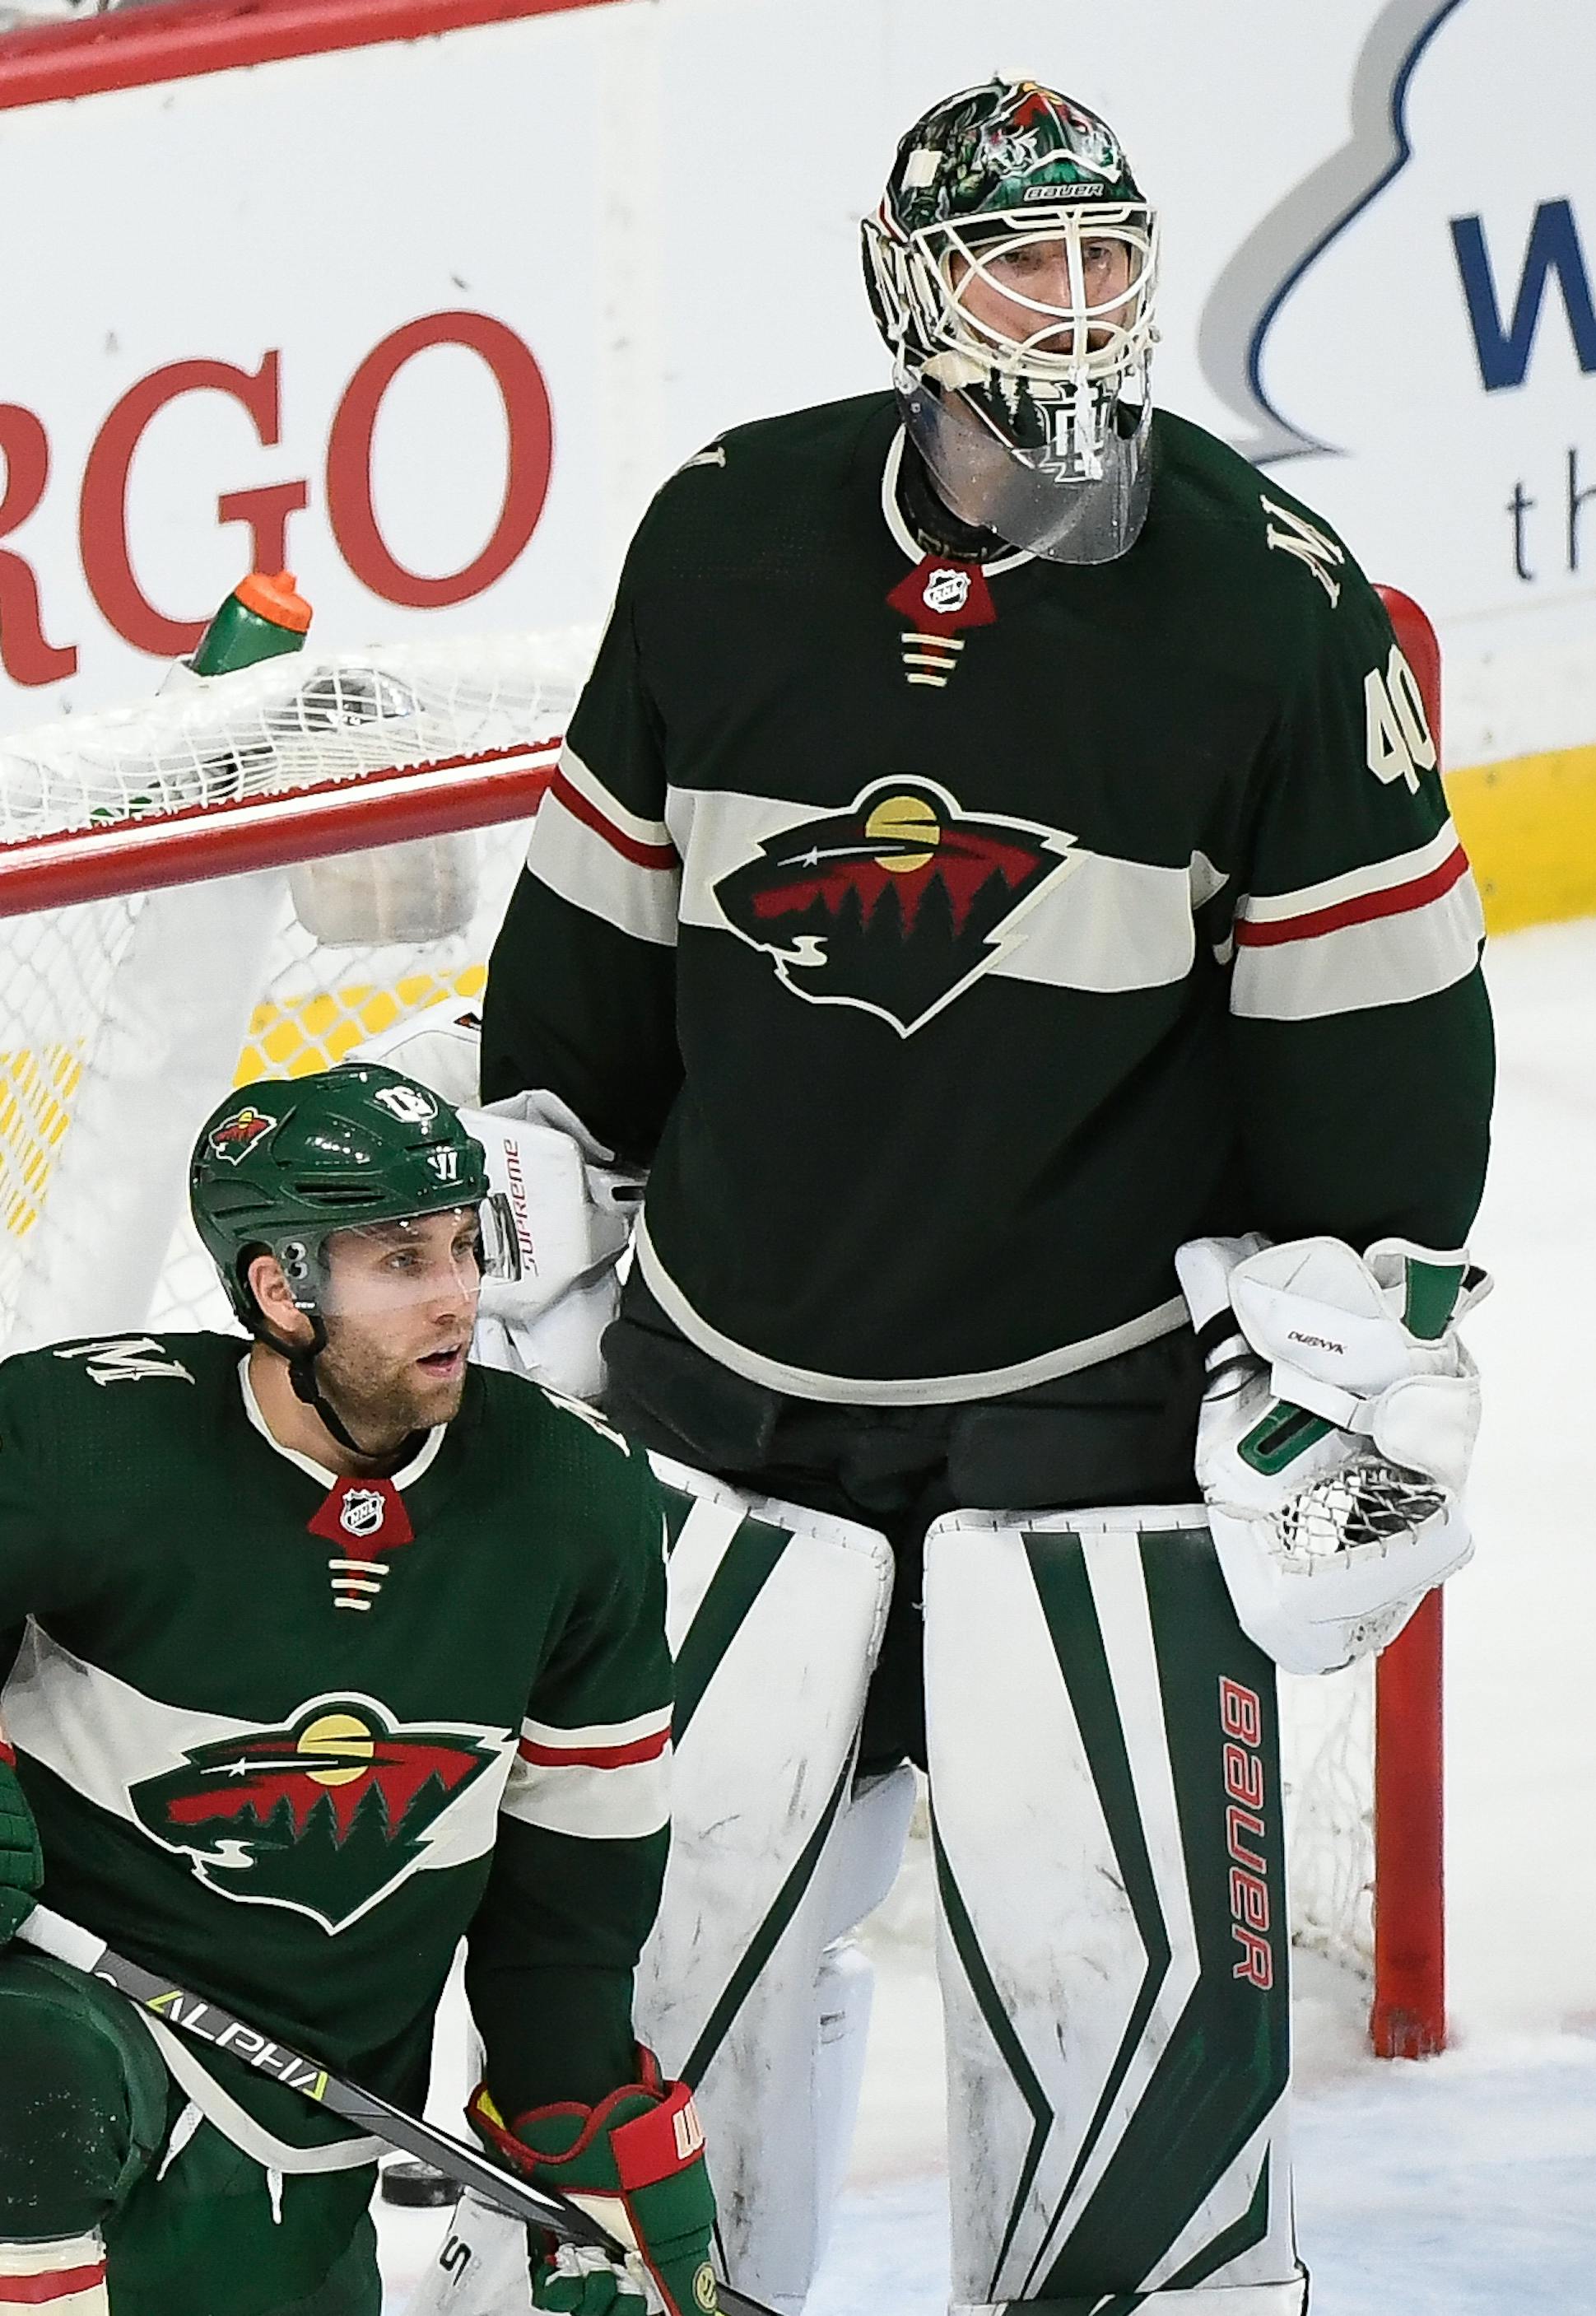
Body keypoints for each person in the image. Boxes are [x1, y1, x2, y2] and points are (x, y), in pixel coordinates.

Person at [477, 77, 1494, 2316]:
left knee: (1122, 2006)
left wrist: (1359, 1339)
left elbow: (1383, 1051)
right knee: (637, 1993)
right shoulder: (722, 535)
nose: (1075, 308)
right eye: (1022, 261)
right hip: (724, 1397)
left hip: (1093, 1425)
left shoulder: (1271, 604)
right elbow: (590, 964)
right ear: (911, 287)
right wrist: (547, 1184)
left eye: (1106, 258)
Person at [0, 1062, 716, 2316]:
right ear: (279, 1288)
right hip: (73, 2025)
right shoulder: (76, 1441)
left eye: (462, 1243)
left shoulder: (573, 1501)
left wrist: (582, 2115)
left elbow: (571, 1902)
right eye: (400, 1261)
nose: (457, 1295)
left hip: (326, 2094)